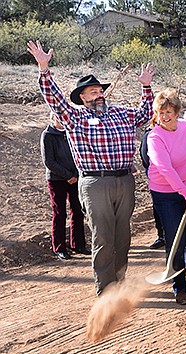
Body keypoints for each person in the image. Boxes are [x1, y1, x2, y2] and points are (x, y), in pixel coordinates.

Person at [27, 40, 154, 296]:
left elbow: (146, 112)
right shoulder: (75, 117)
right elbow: (54, 100)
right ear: (82, 97)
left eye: (100, 90)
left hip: (125, 180)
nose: (98, 94)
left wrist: (146, 86)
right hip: (94, 183)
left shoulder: (122, 114)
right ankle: (106, 290)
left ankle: (120, 282)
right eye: (92, 91)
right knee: (103, 238)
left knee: (123, 238)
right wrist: (44, 68)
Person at [147, 89, 186, 305]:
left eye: (167, 112)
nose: (164, 116)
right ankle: (179, 286)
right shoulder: (154, 137)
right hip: (166, 194)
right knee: (176, 239)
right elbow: (165, 169)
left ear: (176, 112)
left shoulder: (185, 126)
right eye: (159, 112)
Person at [40, 113, 90, 260]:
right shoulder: (47, 135)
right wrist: (68, 175)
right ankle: (59, 247)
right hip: (57, 179)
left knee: (78, 210)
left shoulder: (71, 132)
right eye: (58, 118)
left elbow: (79, 154)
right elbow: (49, 161)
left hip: (75, 177)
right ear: (53, 119)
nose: (61, 121)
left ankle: (78, 244)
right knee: (59, 213)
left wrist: (75, 174)